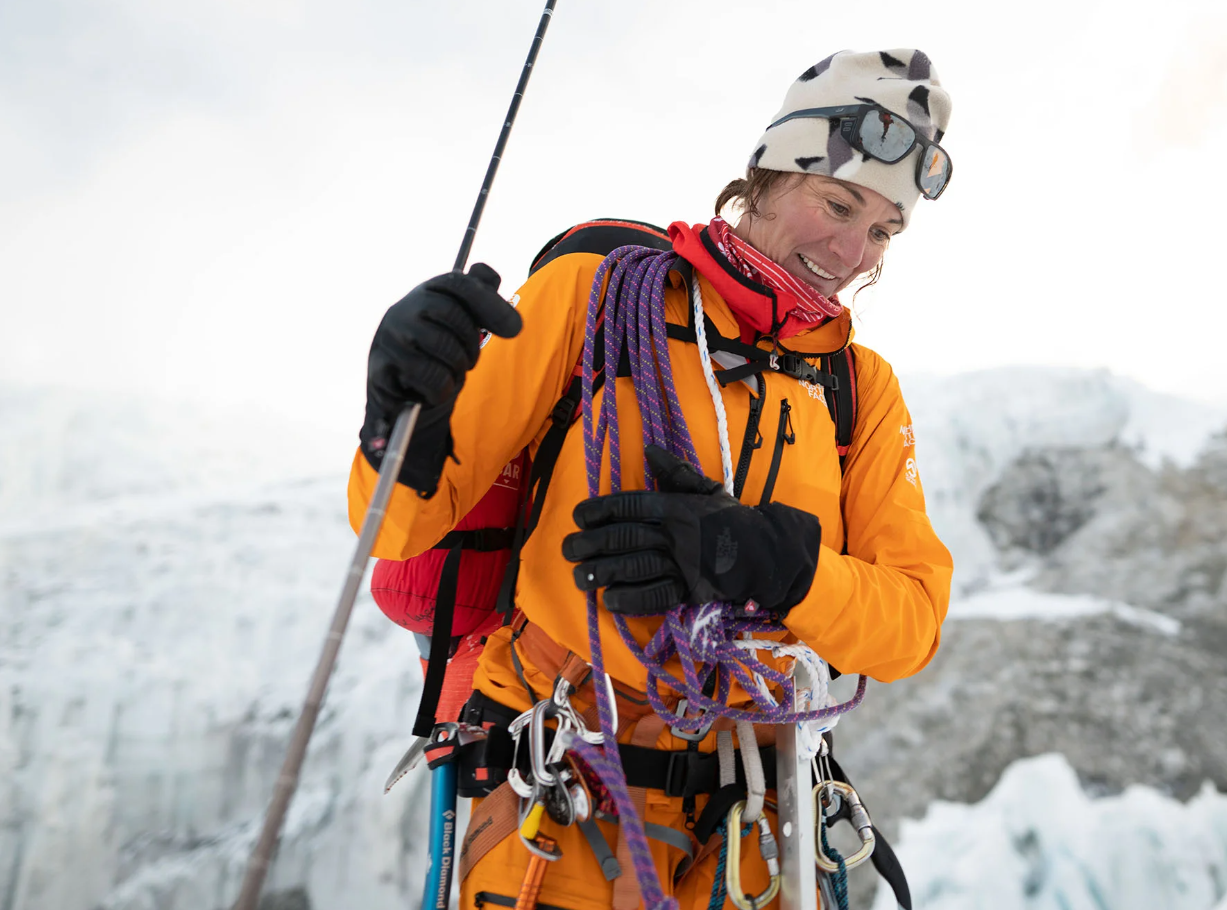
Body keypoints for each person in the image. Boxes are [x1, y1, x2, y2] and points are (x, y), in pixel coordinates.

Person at [349, 48, 955, 910]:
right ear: (770, 177)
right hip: (561, 784)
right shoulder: (595, 295)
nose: (853, 250)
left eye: (885, 230)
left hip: (753, 812)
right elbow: (396, 527)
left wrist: (782, 568)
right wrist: (398, 417)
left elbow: (911, 624)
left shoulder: (859, 388)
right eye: (838, 202)